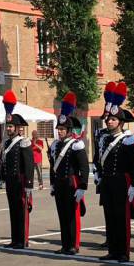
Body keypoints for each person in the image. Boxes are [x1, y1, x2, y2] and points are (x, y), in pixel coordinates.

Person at [95, 82, 134, 262]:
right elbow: (99, 160)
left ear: (120, 122)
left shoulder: (128, 140)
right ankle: (113, 250)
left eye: (113, 120)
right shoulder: (104, 139)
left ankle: (123, 252)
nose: (109, 121)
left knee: (122, 219)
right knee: (110, 217)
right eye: (108, 120)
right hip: (107, 182)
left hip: (122, 182)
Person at [48, 93, 89, 255]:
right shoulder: (55, 146)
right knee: (62, 215)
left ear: (69, 130)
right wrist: (52, 184)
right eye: (59, 129)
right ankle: (65, 244)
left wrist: (82, 186)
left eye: (63, 129)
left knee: (72, 216)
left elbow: (84, 167)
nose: (60, 132)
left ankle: (73, 245)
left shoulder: (76, 145)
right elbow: (53, 167)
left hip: (72, 183)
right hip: (59, 184)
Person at [0, 91, 34, 249]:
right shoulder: (7, 143)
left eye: (11, 126)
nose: (9, 129)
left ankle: (22, 240)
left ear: (18, 128)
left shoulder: (24, 142)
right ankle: (15, 239)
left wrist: (28, 184)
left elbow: (29, 164)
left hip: (20, 181)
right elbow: (4, 161)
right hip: (10, 181)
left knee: (21, 211)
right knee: (13, 210)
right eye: (8, 126)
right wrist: (2, 176)